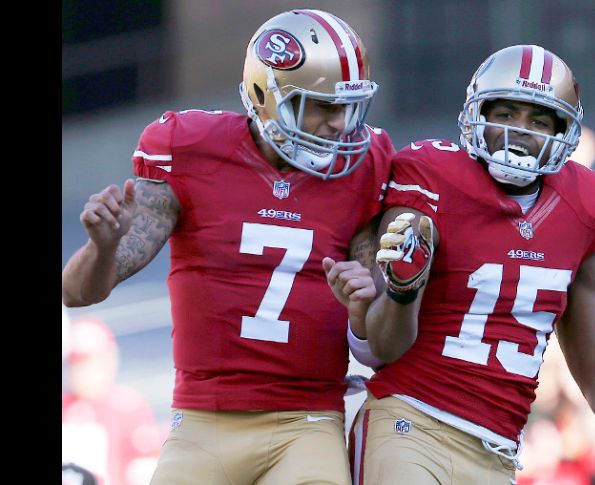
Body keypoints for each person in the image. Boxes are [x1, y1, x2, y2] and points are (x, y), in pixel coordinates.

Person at [346, 45, 595, 484]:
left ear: (563, 132)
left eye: (538, 121)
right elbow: (381, 347)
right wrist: (403, 289)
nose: (518, 131)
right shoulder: (431, 177)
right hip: (410, 424)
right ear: (477, 114)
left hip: (497, 451)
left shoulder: (581, 209)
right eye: (506, 114)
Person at [62, 9, 393, 485]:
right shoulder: (190, 149)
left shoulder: (366, 167)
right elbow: (77, 293)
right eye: (321, 106)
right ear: (266, 97)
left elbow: (382, 337)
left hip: (309, 421)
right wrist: (102, 246)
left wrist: (367, 299)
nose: (340, 125)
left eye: (348, 107)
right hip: (203, 421)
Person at [62, 317, 161, 485]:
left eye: (90, 363)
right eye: (76, 364)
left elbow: (144, 468)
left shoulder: (128, 407)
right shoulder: (66, 406)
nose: (83, 372)